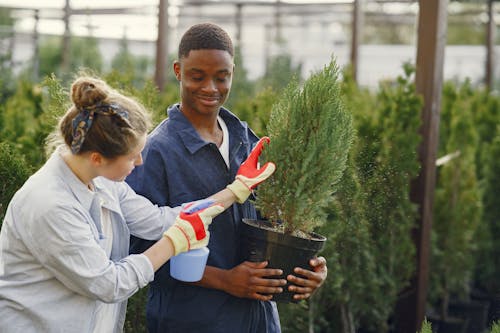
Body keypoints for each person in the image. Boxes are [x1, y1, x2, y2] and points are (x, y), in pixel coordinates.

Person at [0, 75, 275, 333]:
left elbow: (159, 220)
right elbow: (109, 283)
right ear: (97, 157)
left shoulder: (101, 180)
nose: (140, 162)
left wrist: (235, 190)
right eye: (132, 157)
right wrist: (172, 243)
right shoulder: (51, 205)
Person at [126, 22, 328, 332]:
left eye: (222, 77)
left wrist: (306, 269)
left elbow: (274, 220)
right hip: (191, 320)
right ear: (178, 71)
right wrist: (226, 281)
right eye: (197, 76)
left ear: (232, 72)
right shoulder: (157, 152)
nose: (210, 88)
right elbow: (139, 253)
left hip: (258, 320)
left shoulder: (247, 140)